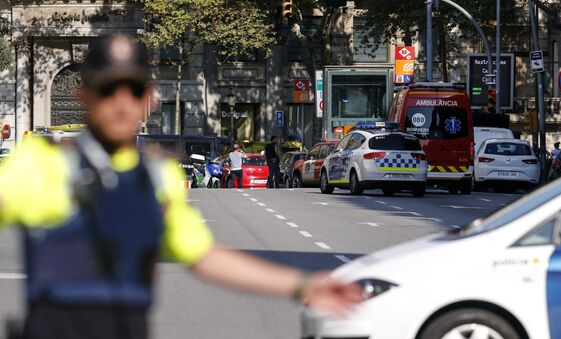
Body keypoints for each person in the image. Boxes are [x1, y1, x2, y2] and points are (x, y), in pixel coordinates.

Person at [0, 35, 362, 339]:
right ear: (85, 96)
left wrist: (301, 285)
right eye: (108, 88)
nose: (121, 101)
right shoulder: (41, 165)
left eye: (133, 88)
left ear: (149, 97)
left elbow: (204, 256)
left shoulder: (158, 177)